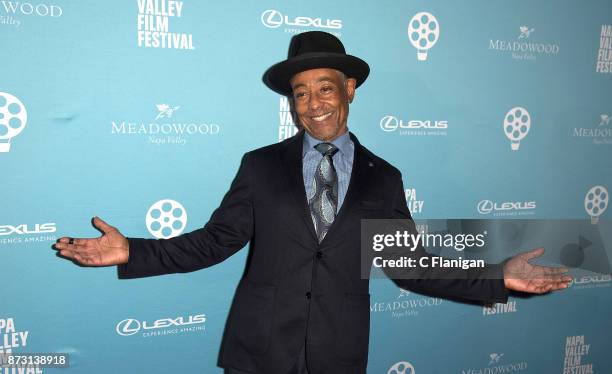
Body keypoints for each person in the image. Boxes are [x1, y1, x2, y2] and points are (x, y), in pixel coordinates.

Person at [54, 31, 571, 374]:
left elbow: (410, 266)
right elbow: (216, 242)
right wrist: (132, 252)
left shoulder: (383, 177)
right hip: (259, 352)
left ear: (349, 89)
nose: (312, 104)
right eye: (300, 93)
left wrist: (497, 275)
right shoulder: (260, 165)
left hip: (338, 354)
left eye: (324, 88)